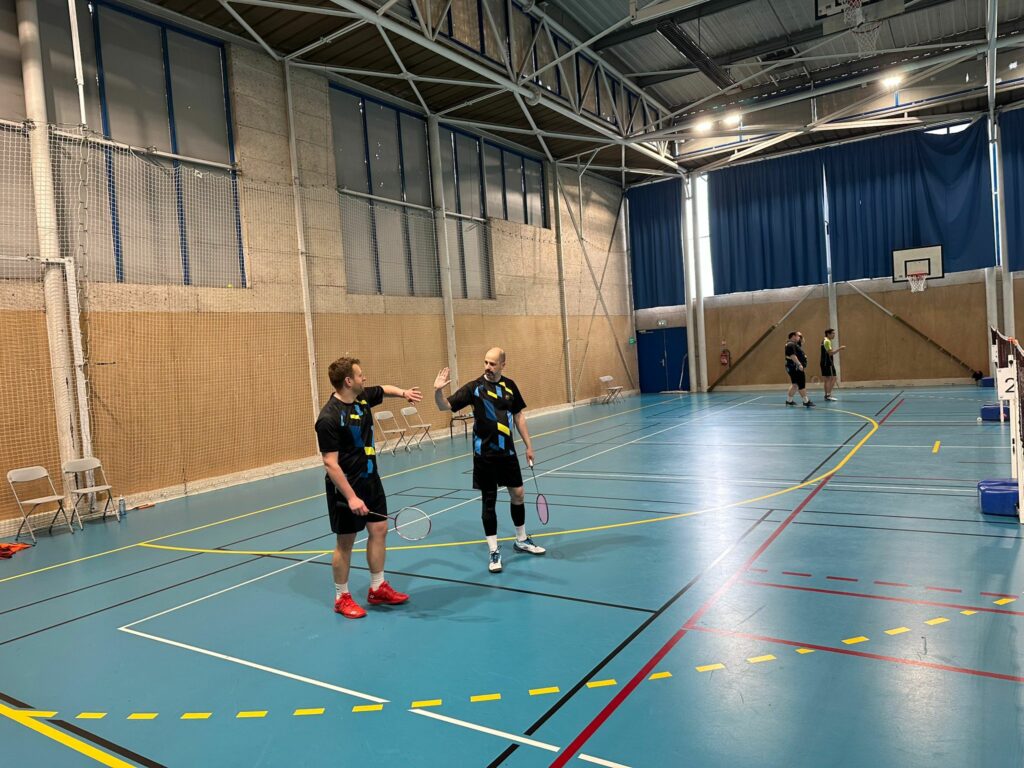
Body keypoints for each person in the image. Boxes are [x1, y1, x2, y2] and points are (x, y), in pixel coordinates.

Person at [315, 356, 422, 619]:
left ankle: (377, 587)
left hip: (371, 479)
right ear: (348, 381)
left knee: (379, 529)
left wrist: (404, 393)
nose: (365, 378)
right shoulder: (328, 417)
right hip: (345, 488)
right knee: (346, 542)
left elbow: (384, 389)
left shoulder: (362, 398)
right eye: (360, 375)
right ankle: (341, 597)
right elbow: (330, 464)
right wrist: (351, 497)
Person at [433, 348, 546, 573]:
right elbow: (444, 406)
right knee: (489, 500)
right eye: (486, 362)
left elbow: (519, 415)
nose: (488, 367)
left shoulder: (510, 386)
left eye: (493, 364)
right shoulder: (474, 388)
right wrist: (438, 391)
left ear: (503, 364)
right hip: (485, 455)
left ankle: (521, 539)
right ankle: (494, 550)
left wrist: (529, 445)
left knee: (518, 493)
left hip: (508, 453)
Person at [784, 331, 815, 408]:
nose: (800, 337)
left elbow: (801, 344)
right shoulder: (790, 345)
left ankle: (789, 401)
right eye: (798, 336)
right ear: (793, 336)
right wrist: (799, 364)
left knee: (795, 385)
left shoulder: (793, 344)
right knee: (801, 384)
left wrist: (801, 339)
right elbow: (792, 356)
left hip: (793, 367)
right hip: (795, 367)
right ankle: (806, 401)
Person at [820, 328, 846, 402]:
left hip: (824, 362)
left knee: (827, 379)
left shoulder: (824, 340)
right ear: (828, 334)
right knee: (833, 378)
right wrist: (840, 348)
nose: (834, 335)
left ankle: (827, 395)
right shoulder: (827, 341)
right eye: (833, 333)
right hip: (827, 363)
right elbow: (830, 353)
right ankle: (828, 395)